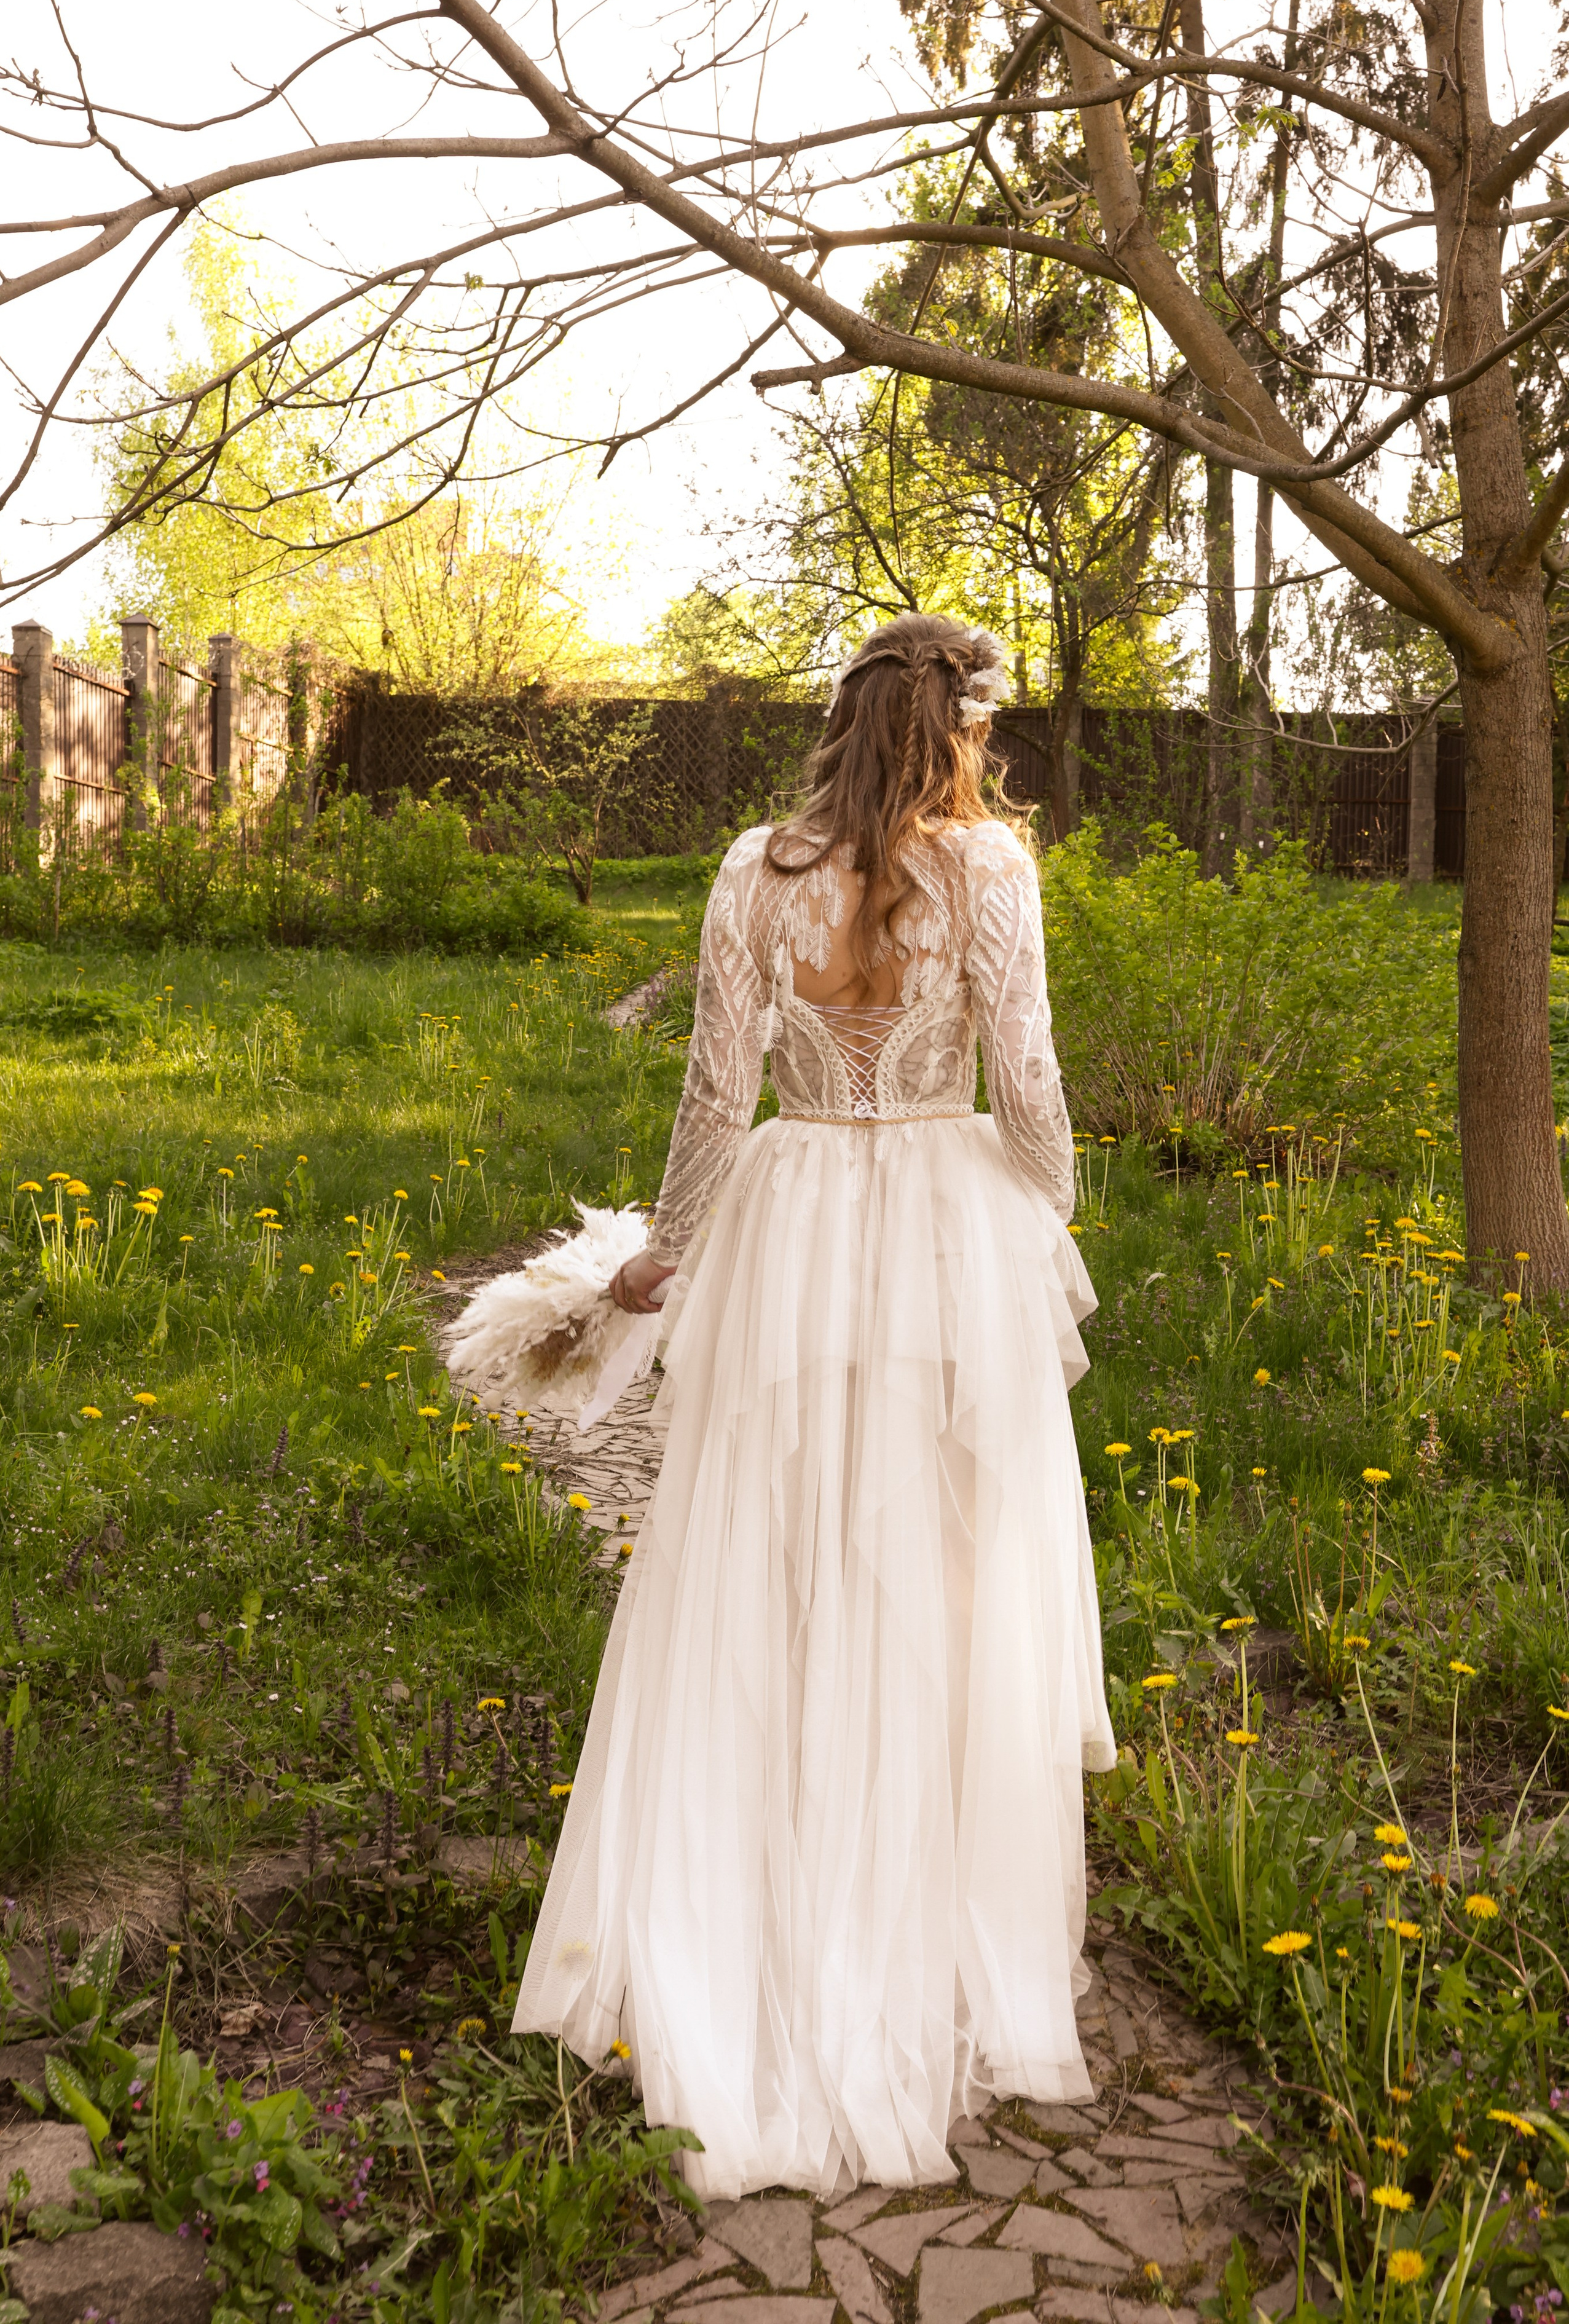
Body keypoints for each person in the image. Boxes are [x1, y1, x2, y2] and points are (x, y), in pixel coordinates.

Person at [511, 611, 1115, 2200]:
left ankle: (755, 1881)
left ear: (840, 721)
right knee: (925, 1565)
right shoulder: (991, 872)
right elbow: (1031, 1080)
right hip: (936, 1217)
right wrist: (1037, 1220)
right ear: (963, 729)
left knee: (764, 1564)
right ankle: (899, 1892)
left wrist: (668, 1257)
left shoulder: (748, 870)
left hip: (787, 1223)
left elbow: (717, 1094)